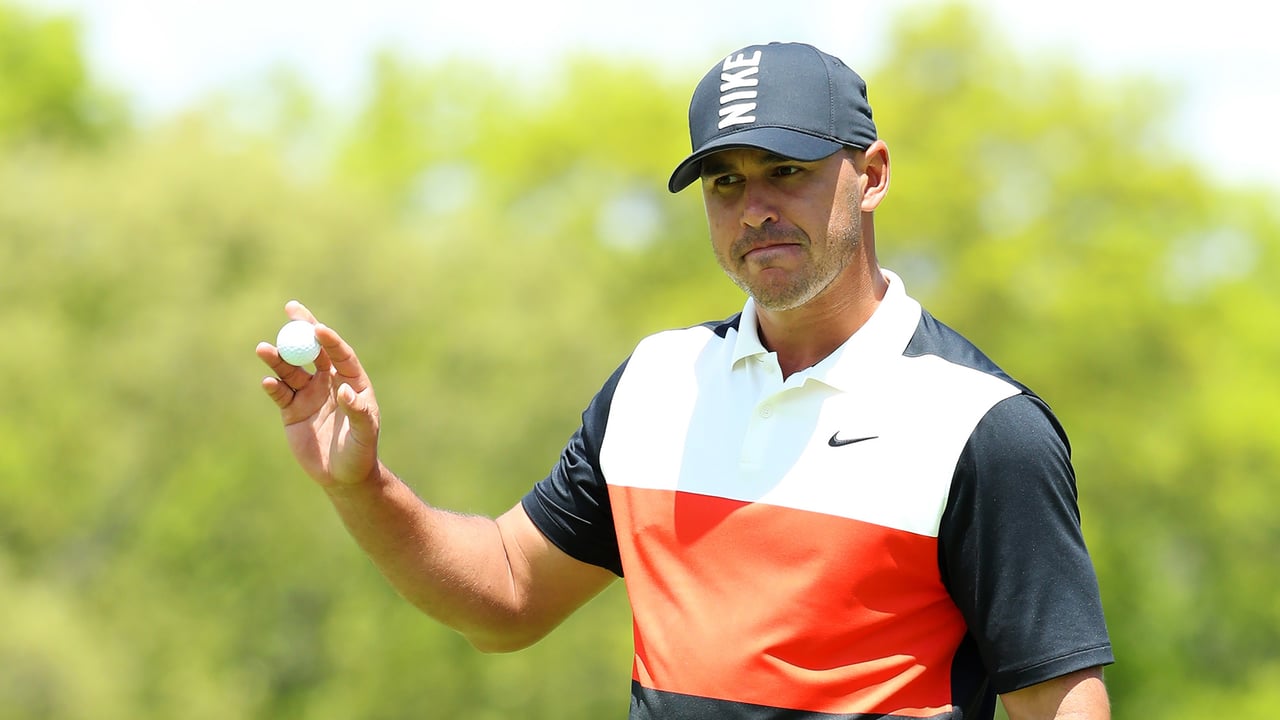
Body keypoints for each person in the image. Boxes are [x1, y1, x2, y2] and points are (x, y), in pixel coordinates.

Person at [257, 41, 1113, 720]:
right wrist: (361, 486)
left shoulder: (982, 425)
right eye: (726, 181)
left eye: (788, 171)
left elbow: (1059, 707)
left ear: (873, 174)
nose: (755, 208)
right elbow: (509, 595)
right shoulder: (655, 384)